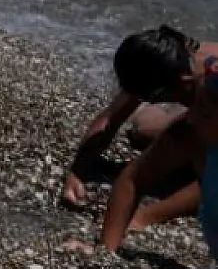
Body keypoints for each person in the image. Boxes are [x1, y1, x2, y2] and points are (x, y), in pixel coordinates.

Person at [62, 26, 214, 226]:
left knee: (200, 150)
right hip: (202, 116)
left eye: (154, 97)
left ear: (183, 79)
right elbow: (111, 117)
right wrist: (77, 172)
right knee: (142, 132)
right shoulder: (166, 61)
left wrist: (145, 217)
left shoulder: (209, 79)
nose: (151, 101)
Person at [78, 55, 218, 262]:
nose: (191, 117)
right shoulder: (190, 133)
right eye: (195, 104)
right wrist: (105, 252)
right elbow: (133, 179)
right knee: (144, 131)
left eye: (205, 111)